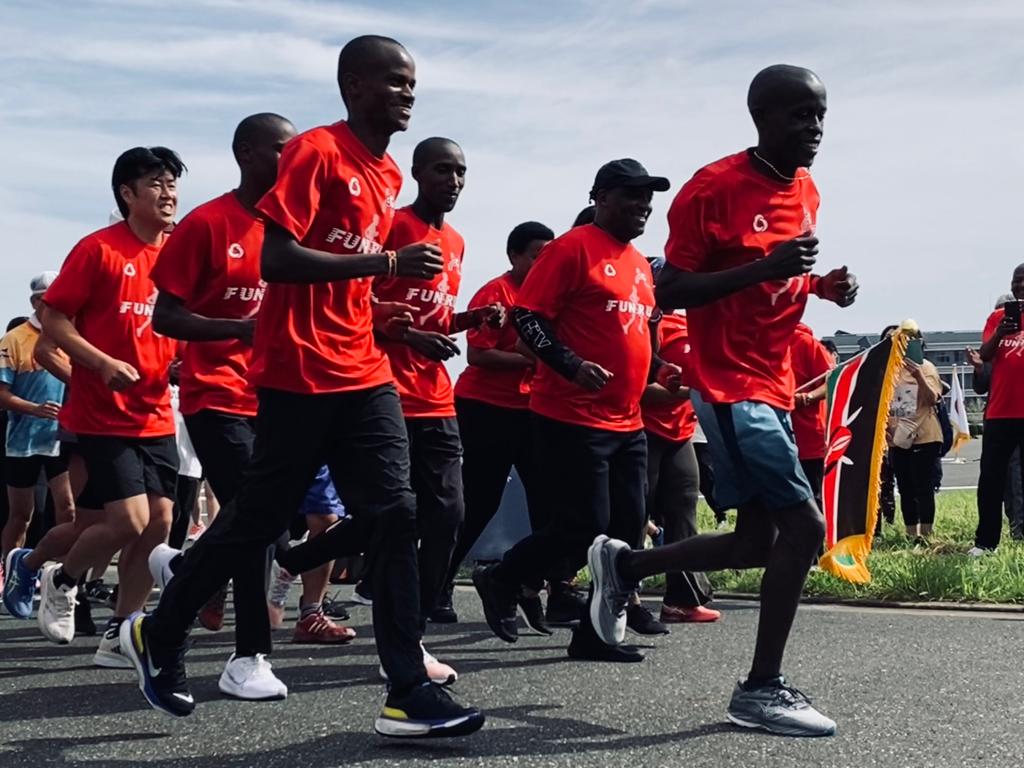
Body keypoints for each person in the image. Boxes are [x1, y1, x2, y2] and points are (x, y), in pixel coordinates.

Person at [121, 35, 484, 739]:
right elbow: (278, 259)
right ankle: (160, 630)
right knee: (257, 521)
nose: (408, 93)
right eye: (394, 81)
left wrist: (388, 315)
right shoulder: (318, 152)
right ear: (353, 87)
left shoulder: (385, 173)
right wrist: (386, 263)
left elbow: (347, 280)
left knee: (396, 512)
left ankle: (408, 689)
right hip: (297, 373)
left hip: (364, 370)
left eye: (412, 83)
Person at [588, 65, 857, 737]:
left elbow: (777, 281)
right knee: (804, 531)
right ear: (762, 117)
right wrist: (767, 267)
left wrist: (820, 287)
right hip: (732, 385)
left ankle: (625, 565)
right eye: (800, 114)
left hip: (773, 381)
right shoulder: (711, 189)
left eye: (821, 114)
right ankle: (761, 689)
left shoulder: (806, 187)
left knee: (757, 540)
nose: (815, 128)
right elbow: (671, 288)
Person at [472, 157, 679, 663]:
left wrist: (661, 369)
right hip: (570, 415)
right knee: (584, 525)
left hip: (627, 419)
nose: (643, 205)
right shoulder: (571, 248)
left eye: (648, 197)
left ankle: (593, 634)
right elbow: (527, 318)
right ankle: (502, 576)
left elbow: (634, 333)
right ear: (601, 198)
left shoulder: (638, 264)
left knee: (627, 530)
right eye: (632, 195)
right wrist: (571, 364)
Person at [6, 147, 185, 671]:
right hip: (101, 414)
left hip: (155, 412)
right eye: (156, 184)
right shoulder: (98, 250)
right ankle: (60, 579)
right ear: (127, 194)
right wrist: (101, 363)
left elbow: (177, 326)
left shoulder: (177, 256)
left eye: (172, 183)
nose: (169, 194)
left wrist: (182, 363)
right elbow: (53, 324)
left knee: (159, 523)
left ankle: (121, 630)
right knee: (127, 521)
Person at [146, 113, 297, 700]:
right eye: (281, 149)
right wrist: (237, 328)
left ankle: (186, 568)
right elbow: (166, 317)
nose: (292, 160)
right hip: (214, 395)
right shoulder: (207, 223)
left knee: (263, 519)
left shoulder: (296, 229)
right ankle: (247, 658)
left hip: (276, 396)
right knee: (255, 520)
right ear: (246, 154)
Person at [445, 221, 555, 632]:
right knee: (479, 502)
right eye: (536, 256)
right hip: (485, 408)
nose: (542, 264)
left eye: (548, 257)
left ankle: (527, 585)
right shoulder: (497, 293)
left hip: (530, 410)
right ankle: (438, 583)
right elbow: (477, 354)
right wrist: (536, 361)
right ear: (514, 256)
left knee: (548, 502)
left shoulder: (548, 297)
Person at [640, 259, 719, 624]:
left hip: (680, 431)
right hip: (642, 430)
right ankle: (622, 596)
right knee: (633, 515)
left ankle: (682, 599)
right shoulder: (642, 324)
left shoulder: (691, 322)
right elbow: (642, 389)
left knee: (683, 511)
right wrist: (697, 389)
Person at [0, 273, 74, 567]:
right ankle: (10, 569)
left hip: (61, 437)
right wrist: (35, 409)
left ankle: (61, 575)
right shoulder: (13, 340)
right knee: (21, 515)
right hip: (23, 442)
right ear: (35, 302)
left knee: (68, 510)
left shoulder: (72, 336)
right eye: (50, 299)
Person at [972, 267, 1024, 554]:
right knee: (991, 479)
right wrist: (1000, 332)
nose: (1021, 285)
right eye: (1017, 281)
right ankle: (985, 542)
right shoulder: (997, 317)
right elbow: (985, 355)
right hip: (1000, 412)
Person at [885, 329, 943, 541]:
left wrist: (918, 375)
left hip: (924, 435)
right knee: (905, 487)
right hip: (898, 437)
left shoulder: (926, 367)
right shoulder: (889, 370)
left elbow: (932, 398)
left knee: (923, 487)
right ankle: (911, 535)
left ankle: (926, 535)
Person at [790, 323, 833, 510]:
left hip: (809, 437)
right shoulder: (761, 343)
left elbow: (831, 381)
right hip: (774, 437)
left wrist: (806, 398)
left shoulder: (806, 343)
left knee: (814, 497)